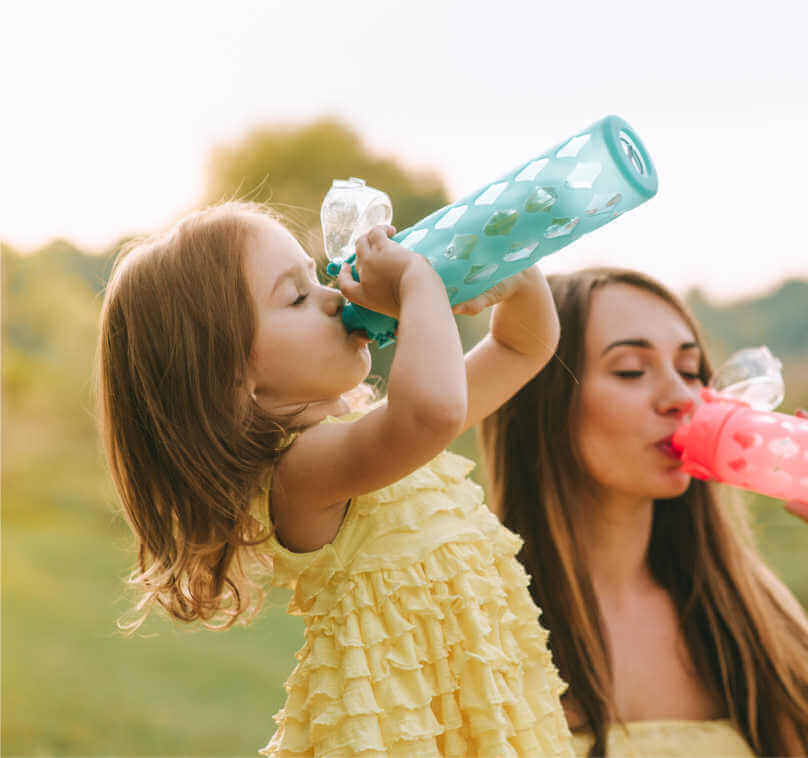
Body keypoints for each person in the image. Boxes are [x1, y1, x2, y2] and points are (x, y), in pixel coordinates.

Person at [96, 202, 575, 757]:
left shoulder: (376, 438)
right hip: (399, 730)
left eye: (318, 277)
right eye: (296, 297)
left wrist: (517, 279)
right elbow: (432, 413)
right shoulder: (302, 471)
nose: (334, 296)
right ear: (231, 380)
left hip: (482, 709)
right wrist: (419, 286)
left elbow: (524, 347)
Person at [478, 267, 808, 757]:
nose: (681, 396)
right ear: (540, 400)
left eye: (692, 370)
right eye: (631, 370)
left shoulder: (738, 609)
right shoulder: (478, 620)